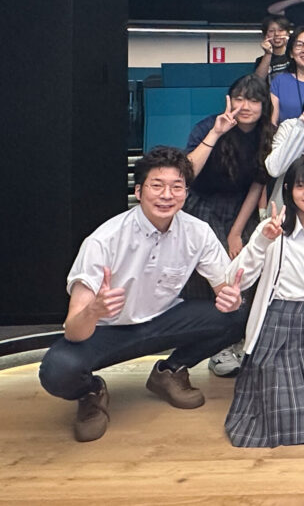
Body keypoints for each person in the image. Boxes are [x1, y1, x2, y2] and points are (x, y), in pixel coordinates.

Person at [38, 146, 245, 442]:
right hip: (106, 332)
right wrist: (94, 310)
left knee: (238, 315)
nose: (166, 195)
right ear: (138, 191)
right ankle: (92, 393)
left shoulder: (197, 232)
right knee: (57, 370)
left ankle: (170, 372)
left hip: (164, 321)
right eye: (157, 186)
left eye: (177, 187)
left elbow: (226, 290)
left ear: (186, 192)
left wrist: (231, 298)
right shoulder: (103, 240)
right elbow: (73, 330)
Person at [223, 154, 304, 448]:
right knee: (280, 408)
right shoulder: (274, 229)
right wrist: (262, 240)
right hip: (277, 320)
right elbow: (235, 277)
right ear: (288, 189)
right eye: (301, 186)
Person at [185, 74, 275, 262]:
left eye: (253, 100)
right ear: (229, 100)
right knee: (212, 259)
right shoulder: (209, 126)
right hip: (203, 201)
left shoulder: (268, 135)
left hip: (241, 206)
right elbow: (187, 173)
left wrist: (236, 232)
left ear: (264, 105)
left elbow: (257, 185)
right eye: (239, 99)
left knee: (247, 259)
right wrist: (216, 133)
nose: (245, 107)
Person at [253, 15, 292, 82]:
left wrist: (291, 46)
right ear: (265, 35)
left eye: (281, 30)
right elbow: (257, 82)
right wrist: (268, 53)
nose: (276, 34)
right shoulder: (261, 60)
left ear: (288, 34)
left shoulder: (296, 56)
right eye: (271, 31)